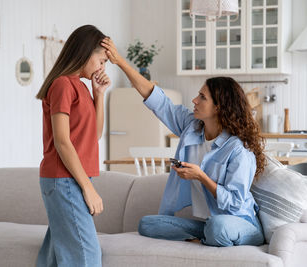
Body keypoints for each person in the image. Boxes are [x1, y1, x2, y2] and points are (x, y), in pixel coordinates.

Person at [101, 38, 266, 247]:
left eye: (202, 97)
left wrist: (201, 177)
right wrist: (120, 62)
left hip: (240, 223)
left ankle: (208, 236)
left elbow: (235, 204)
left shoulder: (238, 150)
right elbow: (157, 100)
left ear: (218, 107)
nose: (194, 100)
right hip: (208, 223)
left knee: (218, 227)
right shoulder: (192, 127)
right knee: (148, 224)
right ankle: (204, 237)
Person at [36, 25, 110, 267]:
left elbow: (95, 135)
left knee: (58, 257)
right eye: (101, 60)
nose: (102, 68)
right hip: (64, 179)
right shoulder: (62, 85)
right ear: (86, 52)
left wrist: (99, 95)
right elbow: (62, 141)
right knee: (86, 257)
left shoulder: (82, 86)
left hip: (69, 179)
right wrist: (88, 188)